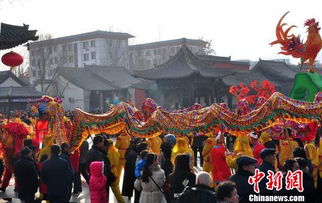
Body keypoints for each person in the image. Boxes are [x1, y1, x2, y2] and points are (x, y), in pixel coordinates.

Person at [106, 139, 125, 203]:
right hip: (115, 170)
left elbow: (110, 163)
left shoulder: (108, 152)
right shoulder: (115, 151)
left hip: (111, 171)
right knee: (116, 189)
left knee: (114, 188)